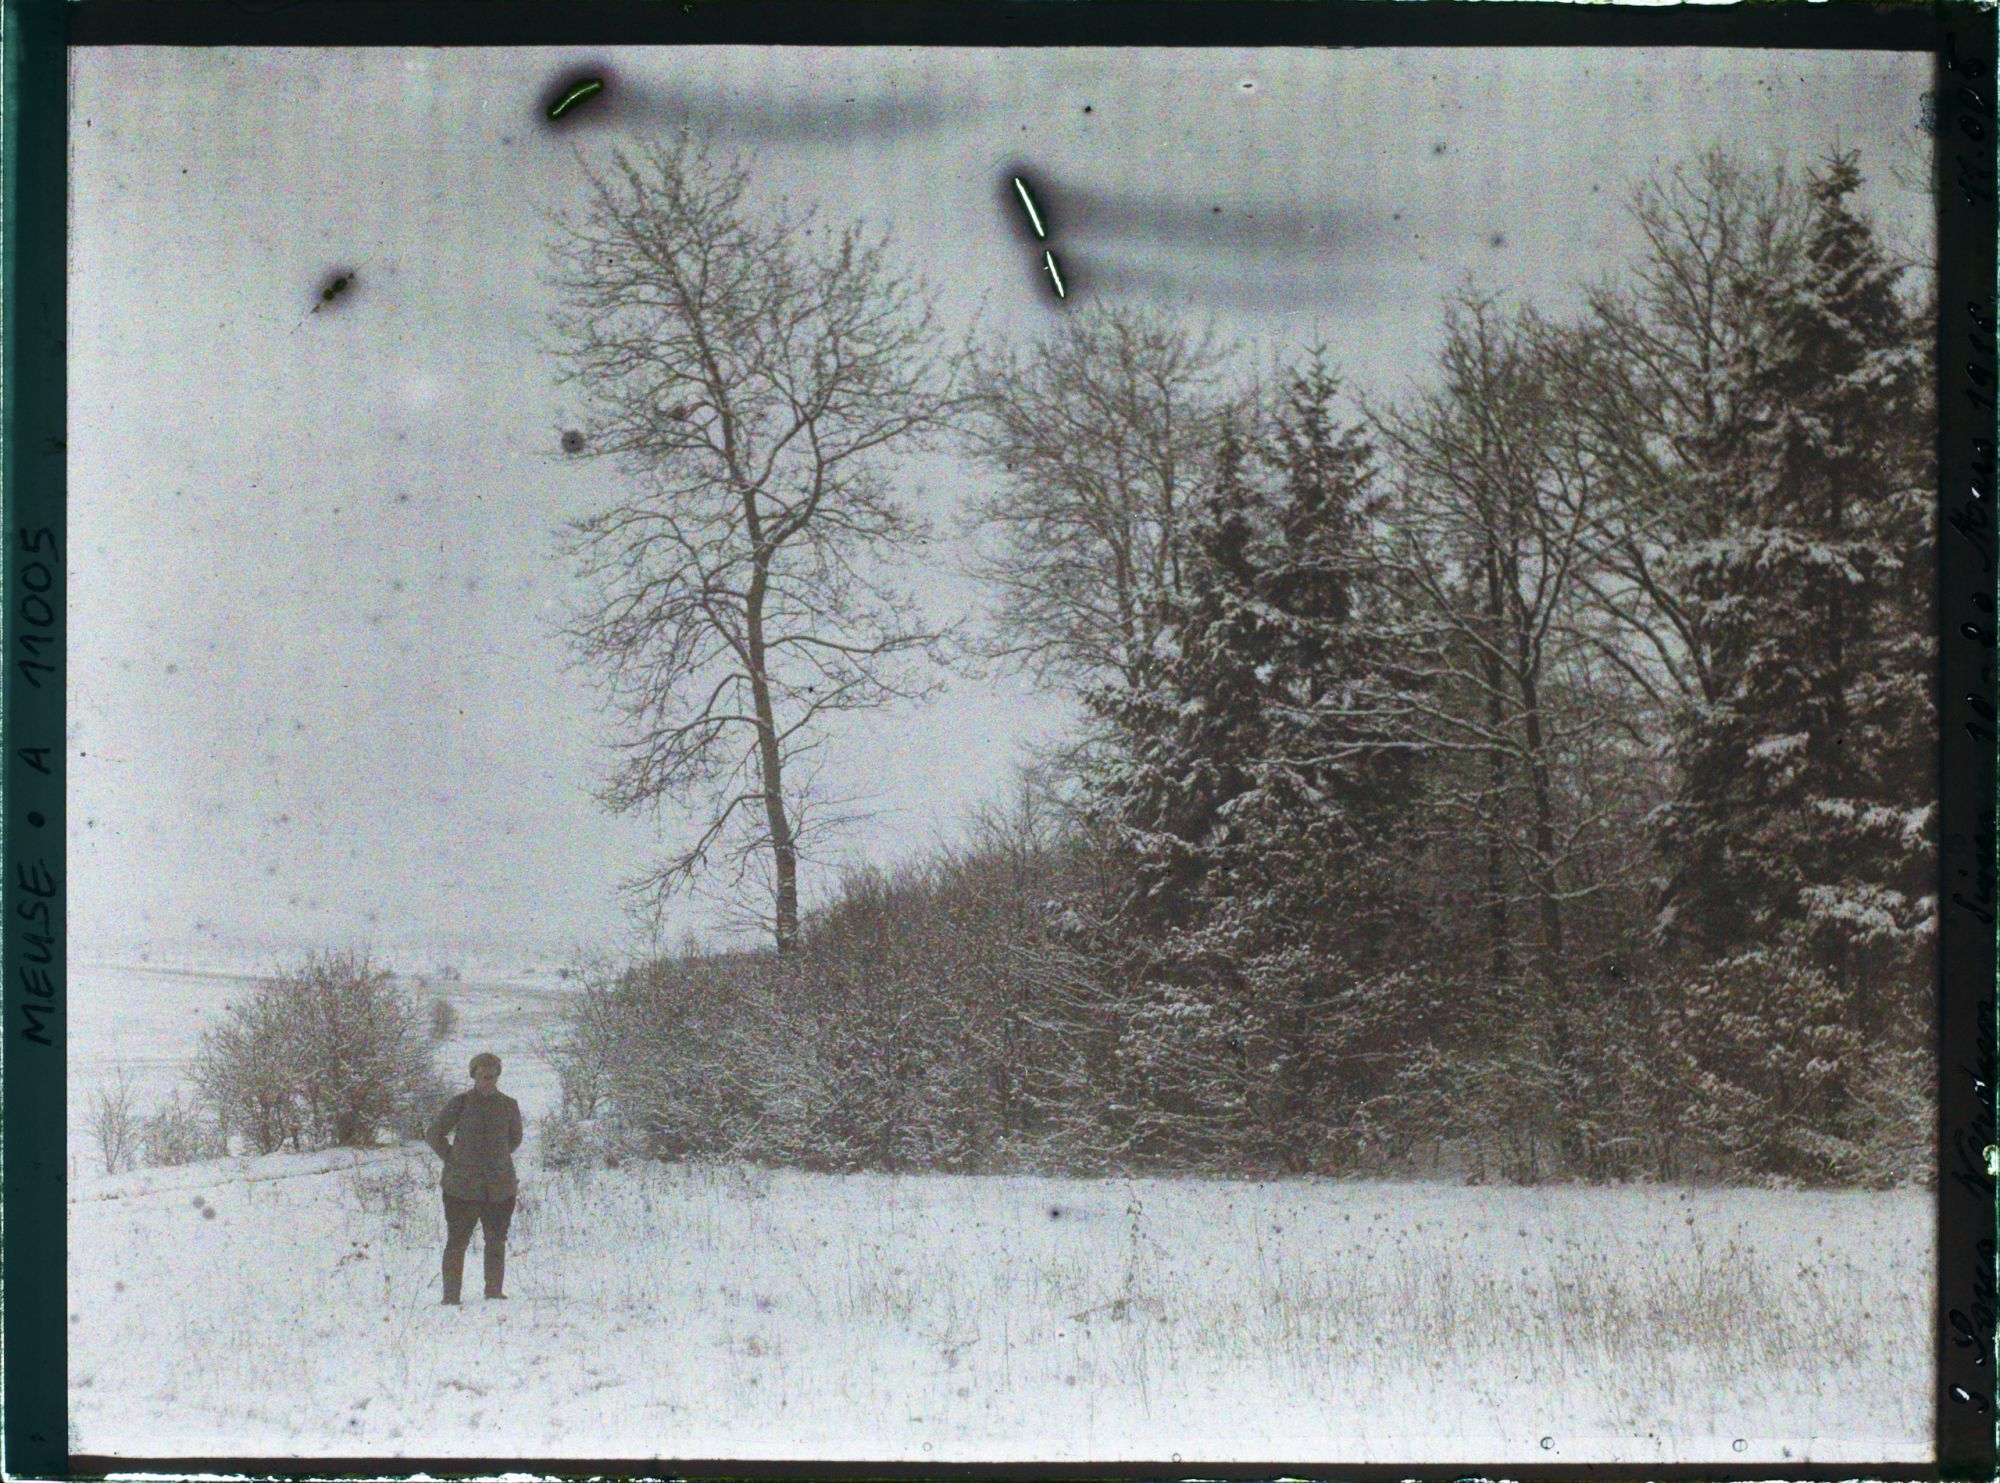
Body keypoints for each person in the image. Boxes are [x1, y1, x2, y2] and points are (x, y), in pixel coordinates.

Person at [426, 1051, 524, 1305]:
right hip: (461, 1188)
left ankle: (493, 1292)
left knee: (496, 1241)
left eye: (492, 1076)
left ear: (498, 1076)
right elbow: (434, 1134)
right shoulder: (459, 1103)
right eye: (482, 1076)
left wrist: (497, 1159)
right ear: (473, 1076)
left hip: (499, 1187)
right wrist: (453, 1159)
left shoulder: (509, 1105)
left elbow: (514, 1140)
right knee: (457, 1242)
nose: (487, 1081)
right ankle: (450, 1297)